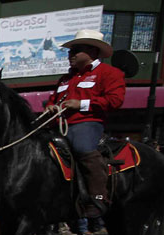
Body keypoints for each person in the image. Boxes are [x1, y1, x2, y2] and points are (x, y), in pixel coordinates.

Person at [47, 29, 125, 218]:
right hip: (60, 123)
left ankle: (98, 197)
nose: (71, 55)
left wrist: (80, 104)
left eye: (76, 51)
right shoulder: (66, 78)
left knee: (82, 147)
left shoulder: (109, 73)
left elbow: (115, 101)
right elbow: (54, 98)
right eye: (70, 51)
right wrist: (50, 107)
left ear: (93, 52)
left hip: (88, 122)